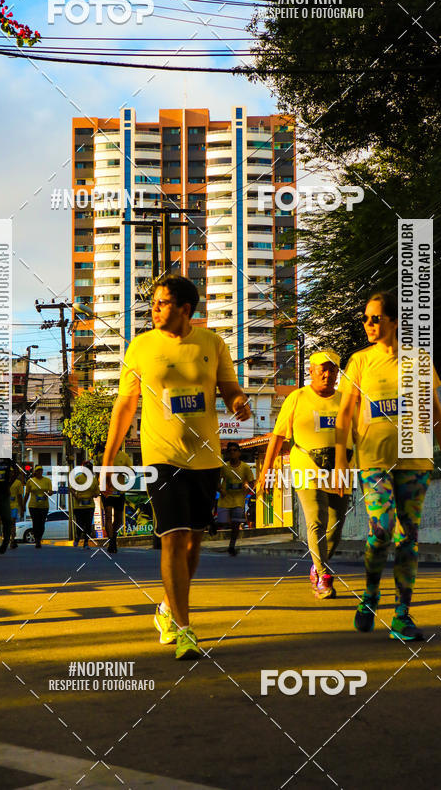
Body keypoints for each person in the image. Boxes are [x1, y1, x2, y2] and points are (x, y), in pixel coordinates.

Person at [102, 275, 251, 660]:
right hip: (161, 457)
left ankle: (168, 607)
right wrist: (108, 460)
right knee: (173, 536)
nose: (154, 309)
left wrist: (238, 402)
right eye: (153, 302)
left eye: (163, 303)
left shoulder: (212, 343)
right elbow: (125, 405)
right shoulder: (140, 347)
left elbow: (229, 388)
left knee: (193, 542)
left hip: (206, 457)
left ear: (185, 309)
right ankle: (185, 629)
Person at [334, 290, 441, 641]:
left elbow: (435, 412)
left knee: (409, 538)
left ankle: (402, 615)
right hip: (373, 461)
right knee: (382, 530)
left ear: (393, 321)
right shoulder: (360, 362)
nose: (368, 324)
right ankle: (370, 593)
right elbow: (344, 414)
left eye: (375, 318)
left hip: (416, 461)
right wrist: (341, 459)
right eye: (365, 318)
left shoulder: (418, 360)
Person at [257, 350, 354, 599]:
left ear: (337, 373)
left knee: (335, 528)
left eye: (332, 369)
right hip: (306, 466)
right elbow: (278, 436)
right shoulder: (297, 398)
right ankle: (323, 576)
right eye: (322, 369)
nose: (327, 374)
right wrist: (266, 471)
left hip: (341, 468)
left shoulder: (346, 400)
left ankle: (316, 565)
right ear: (311, 371)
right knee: (316, 521)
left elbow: (360, 435)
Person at [218, 442, 254, 556]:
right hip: (225, 500)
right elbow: (216, 481)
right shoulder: (224, 467)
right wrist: (221, 490)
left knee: (235, 524)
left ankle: (231, 546)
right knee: (222, 522)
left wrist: (246, 492)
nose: (232, 452)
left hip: (238, 501)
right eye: (230, 450)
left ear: (239, 452)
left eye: (235, 450)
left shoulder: (245, 467)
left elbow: (252, 482)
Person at [101, 448, 132, 553]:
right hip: (107, 492)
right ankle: (111, 541)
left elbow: (131, 472)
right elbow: (97, 471)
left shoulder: (124, 456)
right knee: (108, 516)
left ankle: (113, 537)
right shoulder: (102, 455)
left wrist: (123, 470)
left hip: (120, 491)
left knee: (119, 519)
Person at [23, 465, 53, 548]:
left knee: (42, 523)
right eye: (38, 471)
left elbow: (50, 491)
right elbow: (27, 494)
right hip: (33, 506)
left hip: (44, 506)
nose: (39, 472)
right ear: (35, 472)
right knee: (35, 523)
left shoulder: (47, 480)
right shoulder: (30, 481)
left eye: (41, 470)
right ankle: (37, 539)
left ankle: (39, 538)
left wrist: (48, 494)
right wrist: (23, 505)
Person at [72, 460, 99, 548]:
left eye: (89, 468)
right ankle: (77, 538)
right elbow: (71, 489)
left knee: (88, 525)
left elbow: (97, 492)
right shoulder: (78, 478)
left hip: (90, 506)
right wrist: (76, 496)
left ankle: (86, 542)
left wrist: (93, 495)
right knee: (79, 524)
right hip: (79, 506)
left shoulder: (94, 480)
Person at [9, 465, 25, 549]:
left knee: (12, 522)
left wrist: (22, 507)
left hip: (14, 506)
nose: (10, 473)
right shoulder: (3, 482)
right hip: (4, 506)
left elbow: (19, 496)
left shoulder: (18, 483)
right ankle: (6, 538)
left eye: (11, 472)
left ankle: (12, 539)